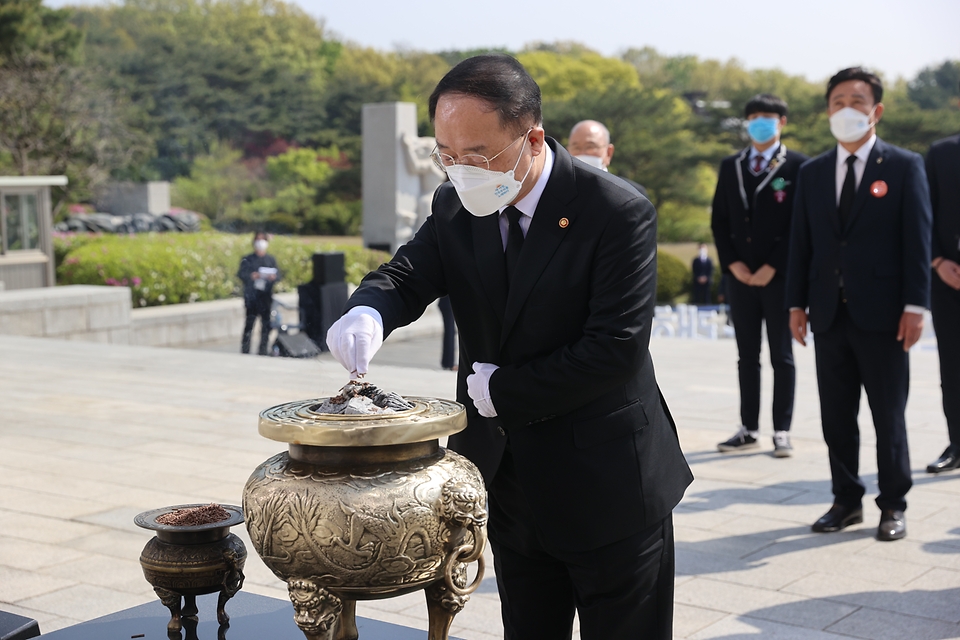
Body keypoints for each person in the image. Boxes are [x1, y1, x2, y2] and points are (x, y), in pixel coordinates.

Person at [326, 54, 692, 640]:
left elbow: (614, 348)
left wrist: (502, 390)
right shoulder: (456, 203)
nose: (461, 169)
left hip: (608, 481)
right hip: (512, 477)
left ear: (533, 138)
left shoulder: (615, 211)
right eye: (446, 155)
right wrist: (368, 310)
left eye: (478, 155)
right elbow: (408, 274)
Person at [786, 68, 932, 541]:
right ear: (827, 111)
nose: (846, 108)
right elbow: (800, 244)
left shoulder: (905, 165)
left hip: (886, 315)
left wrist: (917, 305)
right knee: (836, 416)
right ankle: (846, 500)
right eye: (837, 101)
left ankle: (893, 504)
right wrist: (796, 303)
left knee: (888, 415)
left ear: (877, 110)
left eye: (856, 99)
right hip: (829, 312)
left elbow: (918, 240)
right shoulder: (810, 173)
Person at [711, 94, 808, 457]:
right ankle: (748, 428)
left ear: (782, 122)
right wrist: (733, 264)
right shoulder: (731, 165)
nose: (759, 123)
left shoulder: (799, 166)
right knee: (746, 355)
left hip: (779, 278)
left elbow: (801, 224)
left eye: (766, 117)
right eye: (753, 117)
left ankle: (781, 430)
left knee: (781, 355)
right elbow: (720, 220)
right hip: (740, 276)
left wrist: (774, 267)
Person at [925, 85, 960, 474]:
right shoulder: (942, 153)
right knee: (952, 367)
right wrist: (938, 261)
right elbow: (924, 213)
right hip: (948, 277)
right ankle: (957, 442)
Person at [566, 119, 648, 197]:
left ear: (609, 152)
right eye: (576, 148)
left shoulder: (632, 193)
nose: (583, 153)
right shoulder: (558, 190)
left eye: (590, 147)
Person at [238, 231, 280, 355]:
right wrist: (252, 276)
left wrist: (273, 277)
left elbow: (279, 275)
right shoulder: (248, 259)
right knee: (249, 325)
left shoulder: (270, 259)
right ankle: (245, 350)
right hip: (252, 297)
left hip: (265, 297)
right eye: (258, 239)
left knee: (266, 325)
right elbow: (241, 274)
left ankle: (263, 350)